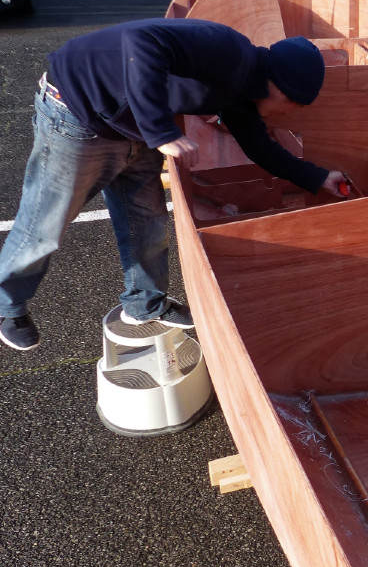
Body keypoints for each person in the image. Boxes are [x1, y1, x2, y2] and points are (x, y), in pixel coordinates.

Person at [0, 18, 346, 351]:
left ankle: (145, 306)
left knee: (147, 221)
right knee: (44, 224)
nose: (291, 112)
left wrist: (317, 177)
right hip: (77, 110)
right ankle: (7, 306)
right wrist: (162, 133)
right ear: (278, 82)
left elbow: (259, 147)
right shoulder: (228, 50)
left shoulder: (243, 94)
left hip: (132, 128)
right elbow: (141, 41)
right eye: (293, 102)